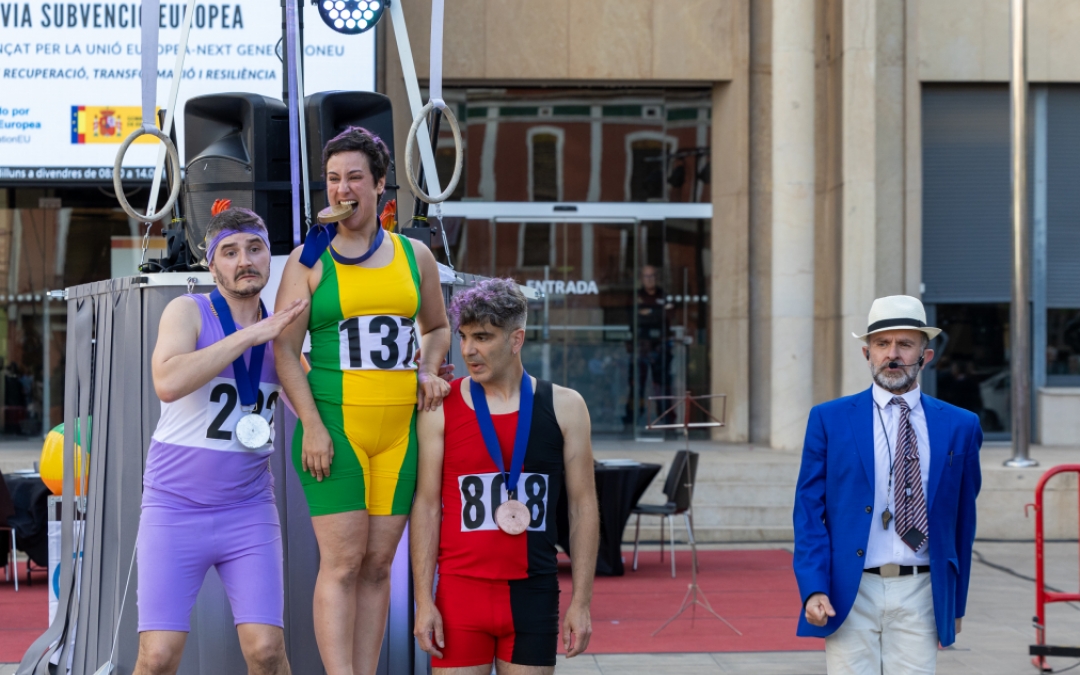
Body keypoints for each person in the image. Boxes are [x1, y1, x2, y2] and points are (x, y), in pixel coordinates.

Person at [275, 126, 452, 675]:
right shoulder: (308, 258)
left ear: (380, 185)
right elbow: (283, 350)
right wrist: (312, 424)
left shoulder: (414, 254)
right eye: (332, 179)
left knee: (378, 566)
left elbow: (438, 328)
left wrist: (427, 369)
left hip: (399, 434)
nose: (341, 189)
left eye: (354, 177)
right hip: (335, 429)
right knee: (343, 563)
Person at [134, 206, 308, 675]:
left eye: (254, 249)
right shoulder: (188, 310)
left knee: (267, 652)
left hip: (247, 510)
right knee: (157, 657)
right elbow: (167, 381)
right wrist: (250, 336)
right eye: (229, 252)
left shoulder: (281, 333)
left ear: (269, 258)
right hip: (173, 508)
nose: (244, 260)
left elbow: (317, 406)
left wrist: (411, 379)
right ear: (211, 266)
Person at [411, 278, 600, 674]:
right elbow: (427, 507)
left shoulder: (567, 406)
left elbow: (583, 508)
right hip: (460, 594)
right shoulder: (441, 407)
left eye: (482, 337)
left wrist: (582, 603)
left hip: (534, 593)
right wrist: (423, 601)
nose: (468, 350)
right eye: (464, 336)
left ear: (517, 339)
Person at [792, 295, 982, 674]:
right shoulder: (829, 419)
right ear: (867, 354)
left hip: (921, 591)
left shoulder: (961, 425)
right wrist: (814, 587)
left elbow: (963, 521)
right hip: (851, 590)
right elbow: (808, 512)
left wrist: (955, 604)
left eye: (905, 344)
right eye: (882, 344)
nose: (892, 354)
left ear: (926, 356)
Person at [624, 265, 673, 427]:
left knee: (662, 385)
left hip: (660, 348)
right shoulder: (635, 297)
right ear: (641, 278)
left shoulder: (664, 296)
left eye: (652, 276)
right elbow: (634, 319)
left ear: (656, 278)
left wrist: (648, 313)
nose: (649, 279)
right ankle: (632, 420)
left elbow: (667, 318)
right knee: (637, 385)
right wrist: (655, 313)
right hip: (640, 348)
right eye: (646, 276)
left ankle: (665, 419)